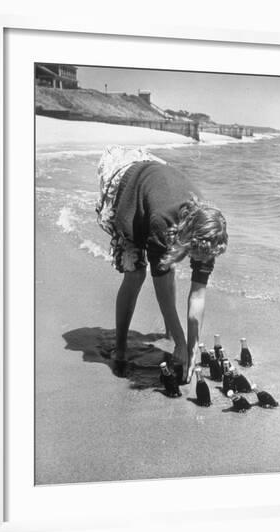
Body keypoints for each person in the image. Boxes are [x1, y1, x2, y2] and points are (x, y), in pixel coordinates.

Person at [96, 146, 228, 384]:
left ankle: (171, 332)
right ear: (189, 239)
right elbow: (162, 287)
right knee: (135, 273)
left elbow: (198, 296)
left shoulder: (210, 232)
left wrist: (192, 347)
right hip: (128, 186)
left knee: (168, 265)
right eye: (195, 254)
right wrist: (180, 340)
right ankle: (122, 346)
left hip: (158, 183)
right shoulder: (162, 222)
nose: (200, 260)